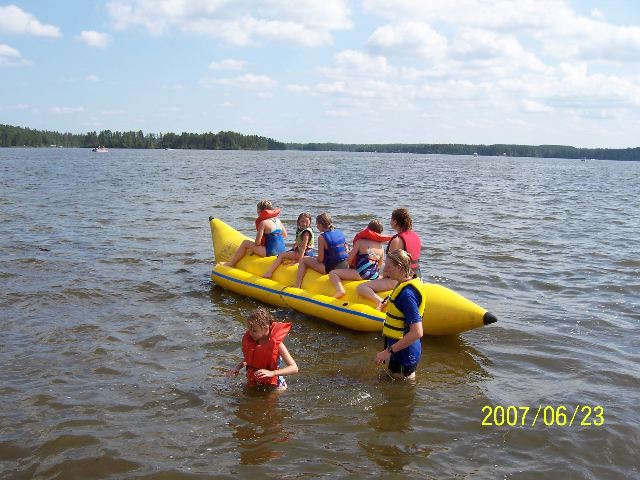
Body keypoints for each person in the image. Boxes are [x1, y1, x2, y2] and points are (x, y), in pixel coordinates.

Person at [356, 208, 423, 309]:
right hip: (417, 277)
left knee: (361, 287)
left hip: (400, 280)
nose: (390, 221)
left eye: (391, 219)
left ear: (395, 222)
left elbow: (389, 265)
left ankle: (380, 301)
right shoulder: (416, 236)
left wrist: (383, 277)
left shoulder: (397, 240)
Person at [374, 250, 425, 380]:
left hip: (405, 353)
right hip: (400, 349)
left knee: (403, 383)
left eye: (388, 266)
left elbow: (417, 332)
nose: (385, 270)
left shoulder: (407, 294)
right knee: (398, 386)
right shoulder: (402, 284)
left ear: (399, 267)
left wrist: (387, 352)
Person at [227, 307, 298, 391]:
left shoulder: (278, 345)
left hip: (275, 383)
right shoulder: (254, 340)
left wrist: (273, 373)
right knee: (241, 395)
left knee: (271, 397)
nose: (250, 333)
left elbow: (294, 368)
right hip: (254, 379)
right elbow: (249, 359)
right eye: (249, 330)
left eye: (254, 331)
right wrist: (237, 367)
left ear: (266, 328)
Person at [328, 219, 387, 298]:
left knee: (333, 273)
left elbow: (349, 260)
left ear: (368, 230)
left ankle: (340, 290)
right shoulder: (381, 246)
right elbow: (380, 265)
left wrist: (348, 267)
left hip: (361, 273)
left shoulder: (361, 242)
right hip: (374, 274)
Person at [225, 200, 287, 268]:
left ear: (260, 211)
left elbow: (257, 243)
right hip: (282, 251)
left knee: (245, 243)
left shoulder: (263, 223)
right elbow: (285, 235)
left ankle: (231, 263)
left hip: (271, 252)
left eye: (257, 211)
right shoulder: (278, 220)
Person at [294, 213, 349, 289]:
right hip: (345, 265)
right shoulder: (339, 232)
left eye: (317, 224)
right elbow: (346, 249)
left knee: (303, 259)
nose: (316, 226)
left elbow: (320, 260)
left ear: (320, 225)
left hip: (332, 268)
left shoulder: (322, 237)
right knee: (313, 257)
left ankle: (297, 286)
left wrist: (314, 258)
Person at [262, 212, 314, 278]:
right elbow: (298, 242)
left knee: (281, 255)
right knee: (287, 253)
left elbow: (303, 248)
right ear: (298, 222)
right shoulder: (301, 230)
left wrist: (299, 261)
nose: (304, 224)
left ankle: (269, 272)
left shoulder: (306, 233)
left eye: (306, 222)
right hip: (305, 253)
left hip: (304, 254)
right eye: (302, 221)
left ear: (310, 222)